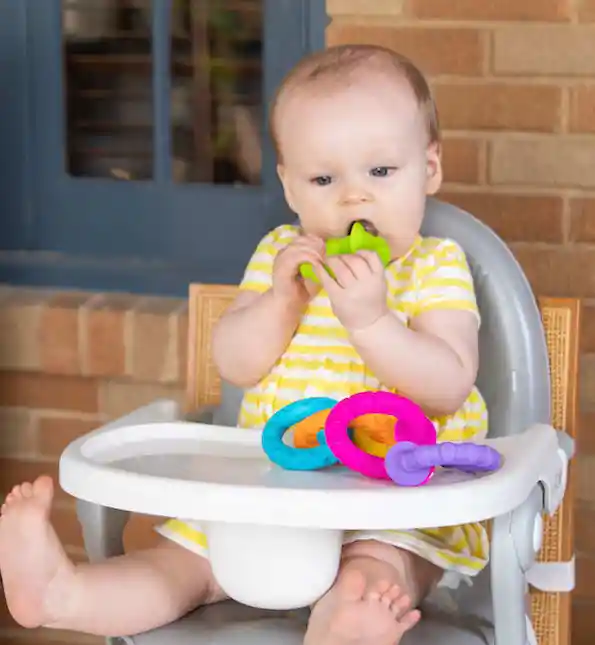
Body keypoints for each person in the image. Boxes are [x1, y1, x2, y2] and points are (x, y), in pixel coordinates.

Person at [0, 44, 489, 645]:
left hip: (387, 501)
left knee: (374, 572)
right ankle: (63, 593)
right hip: (266, 490)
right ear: (289, 187)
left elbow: (449, 382)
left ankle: (345, 624)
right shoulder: (282, 257)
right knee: (186, 568)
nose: (353, 198)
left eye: (381, 172)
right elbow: (234, 361)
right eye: (323, 178)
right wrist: (281, 301)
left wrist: (372, 322)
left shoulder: (436, 265)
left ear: (430, 168)